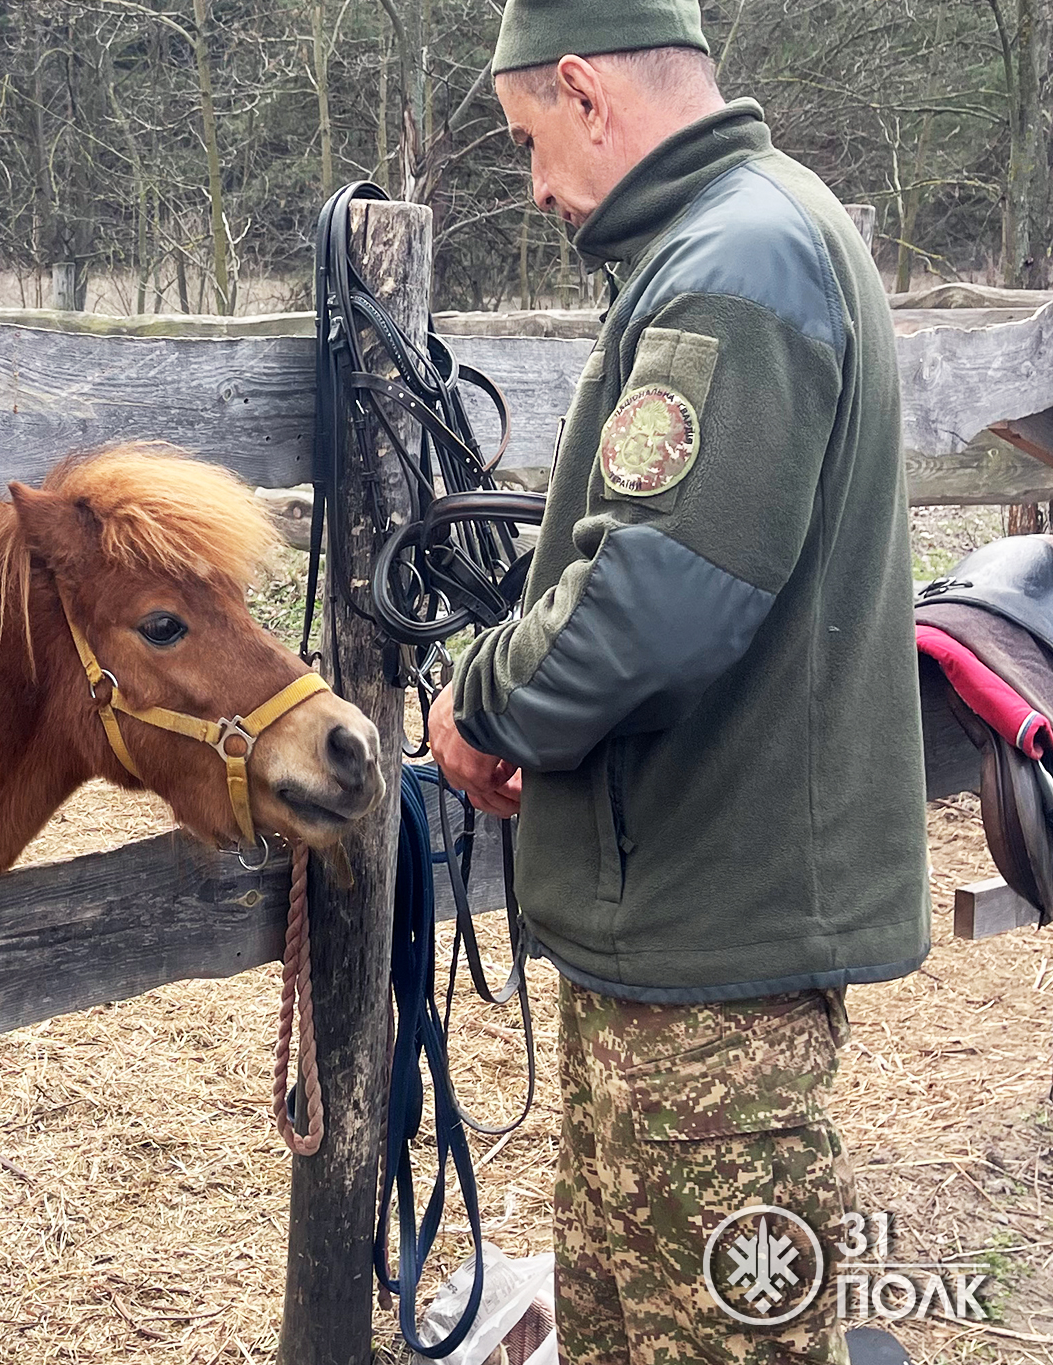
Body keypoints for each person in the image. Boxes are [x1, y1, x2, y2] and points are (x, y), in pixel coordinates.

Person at [426, 2, 931, 1361]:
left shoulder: (733, 265)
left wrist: (479, 697)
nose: (534, 184)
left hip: (714, 962)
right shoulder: (745, 239)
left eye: (532, 137)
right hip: (680, 938)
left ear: (585, 89)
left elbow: (657, 597)